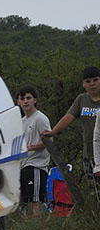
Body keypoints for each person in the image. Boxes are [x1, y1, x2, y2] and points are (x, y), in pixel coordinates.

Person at [31, 66, 100, 174]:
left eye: (95, 80)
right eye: (88, 81)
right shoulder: (81, 99)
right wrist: (52, 132)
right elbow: (68, 117)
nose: (92, 84)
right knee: (93, 184)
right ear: (83, 84)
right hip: (90, 154)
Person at [15, 85, 51, 214]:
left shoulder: (40, 118)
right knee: (29, 202)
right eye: (22, 98)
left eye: (28, 98)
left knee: (36, 201)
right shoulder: (22, 121)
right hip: (24, 165)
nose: (25, 101)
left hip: (36, 165)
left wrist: (28, 148)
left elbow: (48, 140)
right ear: (18, 102)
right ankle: (34, 225)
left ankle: (40, 226)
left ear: (34, 100)